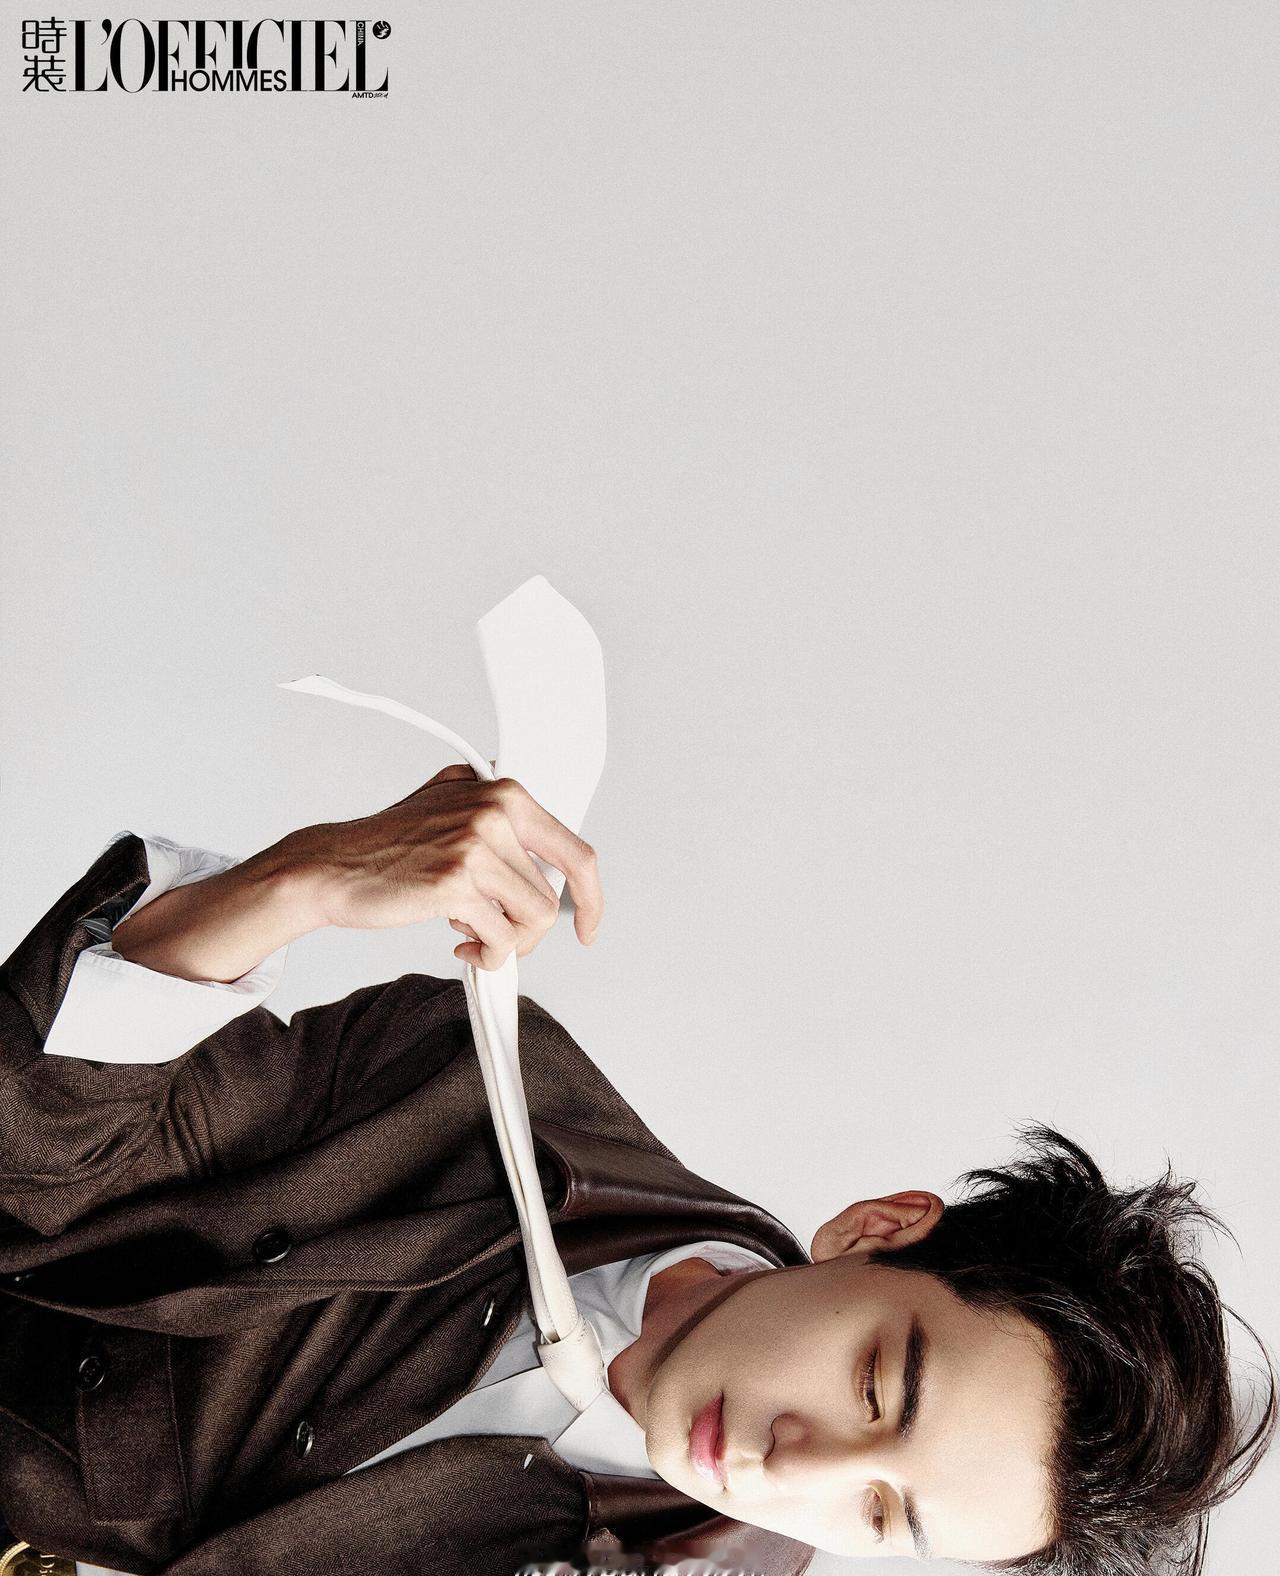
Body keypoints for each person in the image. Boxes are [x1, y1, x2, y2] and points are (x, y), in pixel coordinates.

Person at [0, 769, 1273, 1576]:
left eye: (883, 1517)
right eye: (874, 1383)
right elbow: (44, 1151)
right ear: (876, 1229)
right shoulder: (474, 1087)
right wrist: (302, 879)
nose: (797, 1466)